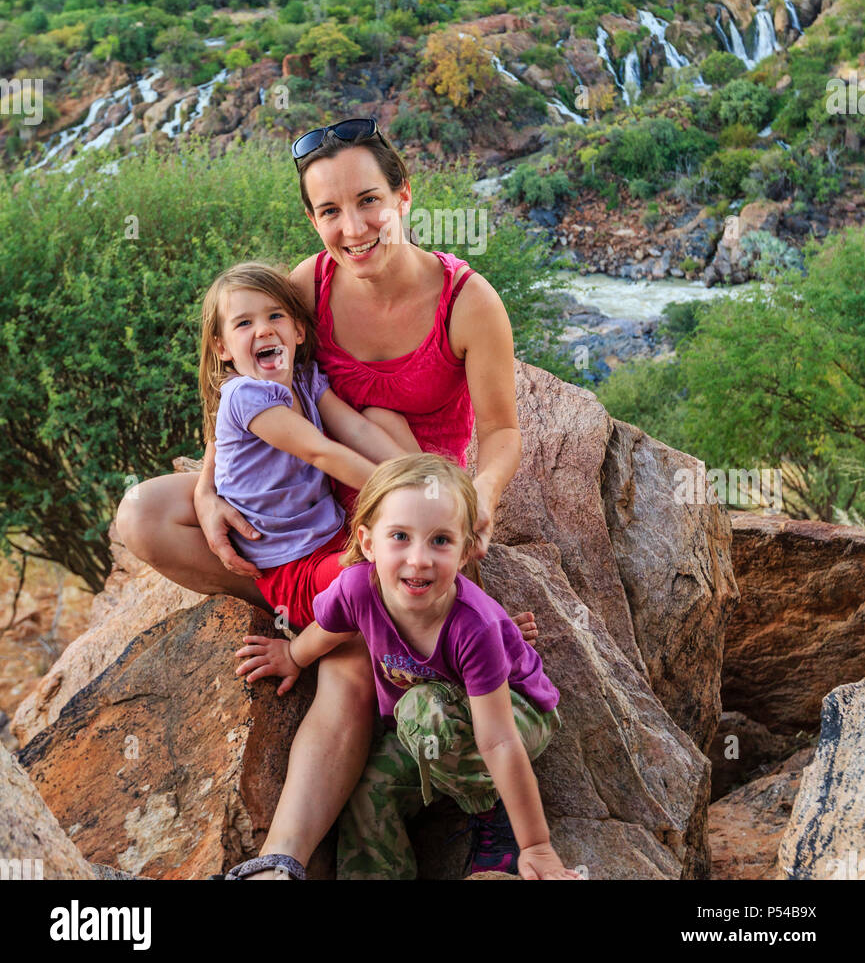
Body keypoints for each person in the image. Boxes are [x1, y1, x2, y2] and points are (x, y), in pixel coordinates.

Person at [116, 117, 529, 881]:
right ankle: (313, 609)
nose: (354, 227)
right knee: (142, 513)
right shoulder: (305, 288)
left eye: (369, 201)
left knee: (340, 669)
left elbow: (502, 430)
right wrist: (209, 489)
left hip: (397, 502)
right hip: (302, 506)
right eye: (330, 211)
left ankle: (280, 859)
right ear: (312, 220)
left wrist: (481, 495)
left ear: (404, 196)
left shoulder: (468, 302)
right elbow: (247, 387)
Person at [233, 454, 578, 881]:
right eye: (400, 536)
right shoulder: (358, 586)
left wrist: (537, 846)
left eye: (440, 541)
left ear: (467, 549)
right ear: (368, 542)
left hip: (514, 716)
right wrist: (292, 656)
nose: (419, 560)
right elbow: (328, 629)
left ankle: (493, 808)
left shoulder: (475, 627)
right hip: (425, 728)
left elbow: (499, 742)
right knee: (368, 792)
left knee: (421, 709)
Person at [199, 260, 420, 628]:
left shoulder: (305, 378)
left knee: (421, 551)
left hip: (334, 537)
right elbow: (320, 450)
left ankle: (483, 618)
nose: (264, 330)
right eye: (244, 323)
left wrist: (425, 477)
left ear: (299, 331)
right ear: (222, 347)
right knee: (381, 575)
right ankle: (452, 643)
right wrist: (404, 492)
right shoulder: (244, 395)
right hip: (292, 567)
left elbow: (358, 431)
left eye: (275, 316)